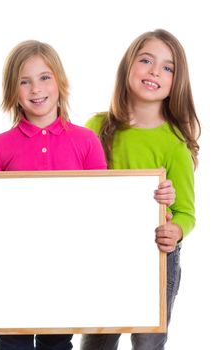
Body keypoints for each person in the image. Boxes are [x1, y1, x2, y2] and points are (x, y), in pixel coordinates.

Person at [0, 39, 108, 350]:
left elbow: (102, 204)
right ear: (13, 91)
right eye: (24, 81)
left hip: (65, 268)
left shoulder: (86, 141)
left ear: (60, 81)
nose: (35, 89)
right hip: (11, 270)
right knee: (13, 344)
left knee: (57, 344)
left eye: (44, 77)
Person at [80, 29, 200, 350]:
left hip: (156, 254)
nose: (154, 72)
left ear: (176, 81)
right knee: (97, 341)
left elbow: (187, 213)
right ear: (128, 67)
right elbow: (80, 189)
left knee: (148, 342)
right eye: (146, 60)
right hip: (105, 250)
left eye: (167, 67)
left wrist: (175, 229)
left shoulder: (175, 144)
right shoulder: (96, 127)